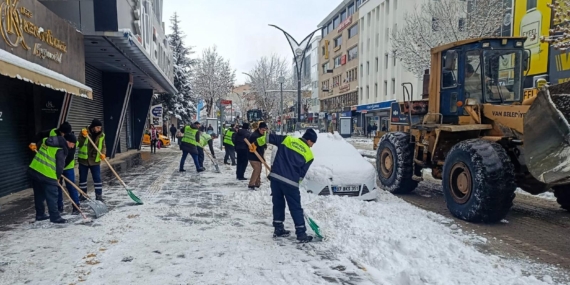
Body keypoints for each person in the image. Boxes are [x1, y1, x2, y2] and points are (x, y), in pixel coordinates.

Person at [262, 128, 317, 243]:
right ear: (309, 140)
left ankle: (278, 228)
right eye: (312, 143)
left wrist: (256, 142)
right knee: (295, 207)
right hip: (291, 183)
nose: (312, 146)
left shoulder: (287, 139)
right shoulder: (309, 154)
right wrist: (296, 183)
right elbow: (302, 174)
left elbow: (268, 137)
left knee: (278, 203)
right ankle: (301, 233)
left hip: (276, 178)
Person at [28, 128, 71, 223]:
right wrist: (58, 178)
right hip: (47, 175)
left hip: (34, 171)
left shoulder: (45, 141)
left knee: (39, 195)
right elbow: (60, 167)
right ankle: (55, 217)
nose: (71, 146)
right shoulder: (60, 150)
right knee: (52, 196)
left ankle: (40, 214)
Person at [77, 119, 106, 202]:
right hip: (84, 160)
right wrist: (83, 136)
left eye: (100, 127)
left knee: (97, 179)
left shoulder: (102, 135)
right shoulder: (84, 132)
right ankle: (83, 195)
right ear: (93, 127)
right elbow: (79, 144)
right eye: (97, 127)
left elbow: (103, 146)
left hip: (95, 160)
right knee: (82, 179)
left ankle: (99, 195)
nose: (99, 129)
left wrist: (103, 154)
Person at [58, 132, 80, 215]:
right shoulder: (59, 145)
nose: (73, 146)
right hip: (57, 169)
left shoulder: (72, 149)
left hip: (68, 168)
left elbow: (66, 161)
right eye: (72, 144)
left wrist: (60, 170)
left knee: (71, 186)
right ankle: (59, 207)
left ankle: (76, 206)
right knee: (58, 187)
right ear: (67, 142)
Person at [247, 122, 268, 190]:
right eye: (262, 130)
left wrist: (264, 145)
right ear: (259, 129)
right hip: (253, 155)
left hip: (258, 156)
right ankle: (251, 184)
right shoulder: (255, 136)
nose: (264, 131)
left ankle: (257, 183)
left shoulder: (261, 135)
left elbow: (262, 145)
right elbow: (256, 147)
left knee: (259, 169)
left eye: (265, 130)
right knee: (257, 169)